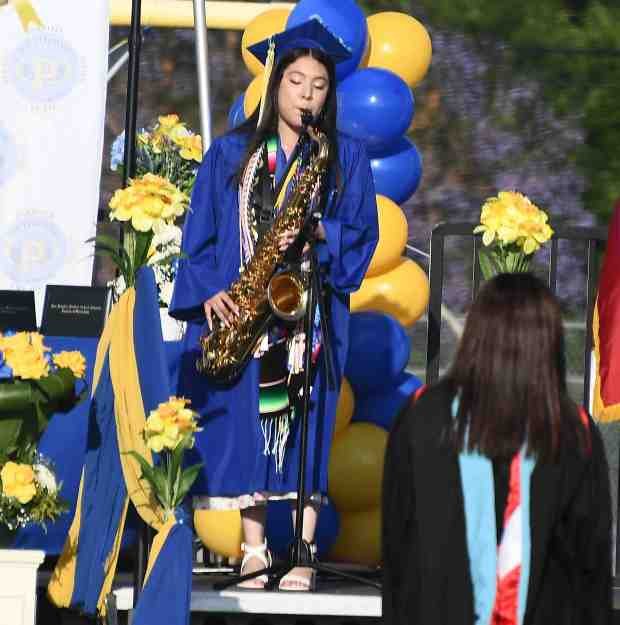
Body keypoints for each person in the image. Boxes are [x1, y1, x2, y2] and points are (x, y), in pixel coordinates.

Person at [170, 18, 378, 591]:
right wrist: (211, 289)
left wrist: (321, 234)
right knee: (247, 424)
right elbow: (202, 235)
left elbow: (361, 234)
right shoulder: (231, 154)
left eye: (318, 86)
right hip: (248, 315)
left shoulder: (343, 158)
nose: (307, 95)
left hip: (307, 315)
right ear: (274, 85)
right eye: (295, 82)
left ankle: (304, 547)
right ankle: (255, 549)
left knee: (305, 423)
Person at [382, 273, 612, 625]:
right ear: (548, 341)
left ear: (476, 334)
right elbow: (591, 568)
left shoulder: (423, 416)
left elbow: (397, 544)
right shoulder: (572, 430)